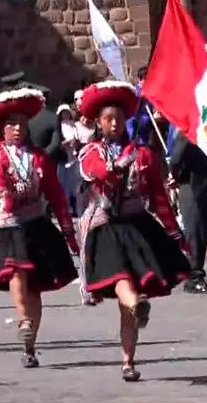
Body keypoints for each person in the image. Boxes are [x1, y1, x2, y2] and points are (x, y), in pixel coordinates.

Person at [76, 80, 191, 381]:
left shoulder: (143, 154)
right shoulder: (90, 151)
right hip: (106, 226)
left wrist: (175, 232)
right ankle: (136, 304)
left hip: (137, 225)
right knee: (121, 278)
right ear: (99, 124)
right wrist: (114, 168)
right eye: (107, 119)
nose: (114, 124)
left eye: (118, 118)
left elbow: (158, 197)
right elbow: (97, 172)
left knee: (131, 297)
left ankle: (128, 360)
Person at [0, 87, 79, 368]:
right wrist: (5, 197)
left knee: (36, 288)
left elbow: (55, 195)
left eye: (21, 124)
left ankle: (30, 345)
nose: (17, 129)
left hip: (36, 223)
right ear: (1, 128)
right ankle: (23, 318)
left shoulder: (38, 158)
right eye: (11, 124)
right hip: (7, 224)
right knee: (17, 267)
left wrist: (68, 231)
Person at [169, 129, 207, 294]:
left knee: (202, 231)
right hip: (192, 185)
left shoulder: (204, 130)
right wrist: (177, 177)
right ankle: (194, 276)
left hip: (203, 184)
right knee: (195, 232)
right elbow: (176, 159)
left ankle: (196, 274)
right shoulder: (188, 131)